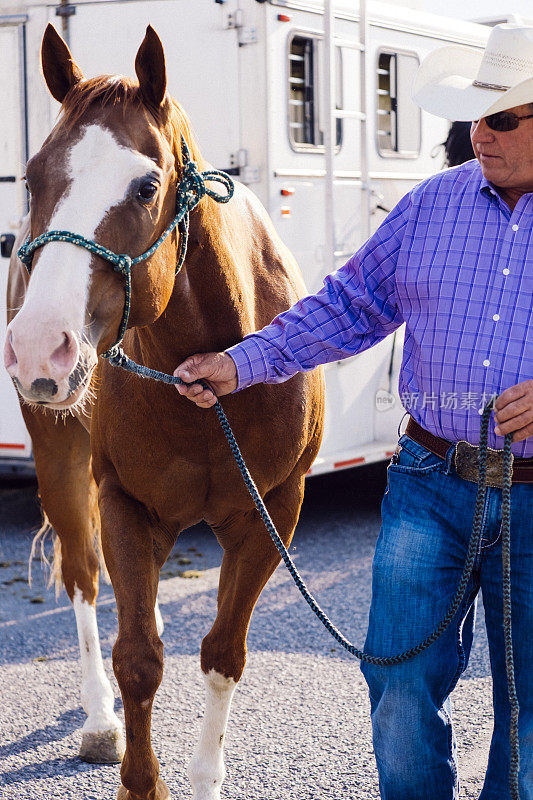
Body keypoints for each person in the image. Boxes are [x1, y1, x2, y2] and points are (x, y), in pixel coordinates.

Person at [174, 23, 533, 800]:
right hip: (429, 481)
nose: (478, 132)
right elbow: (348, 305)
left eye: (501, 117)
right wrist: (238, 364)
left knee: (529, 717)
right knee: (397, 687)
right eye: (473, 115)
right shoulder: (430, 205)